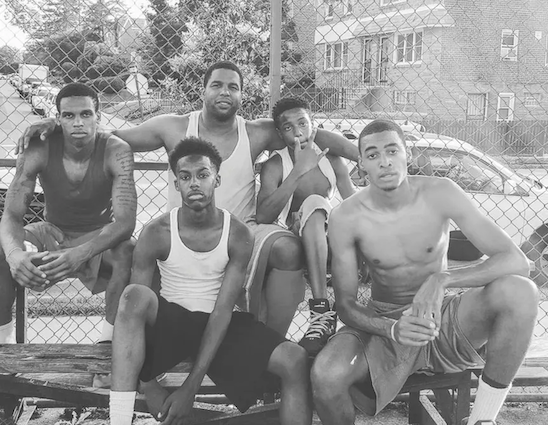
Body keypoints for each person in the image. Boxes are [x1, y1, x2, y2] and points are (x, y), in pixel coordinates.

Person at [16, 60, 359, 337]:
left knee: (287, 249)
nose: (225, 92)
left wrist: (365, 154)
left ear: (242, 96)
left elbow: (314, 133)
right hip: (184, 231)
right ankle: (140, 345)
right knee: (143, 250)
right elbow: (109, 135)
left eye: (233, 87)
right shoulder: (174, 127)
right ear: (203, 90)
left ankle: (271, 343)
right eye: (217, 85)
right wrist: (56, 124)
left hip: (242, 231)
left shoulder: (256, 132)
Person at [310, 119, 539, 425]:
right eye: (373, 154)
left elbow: (516, 261)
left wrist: (443, 279)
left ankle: (483, 420)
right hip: (386, 323)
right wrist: (390, 328)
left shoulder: (440, 193)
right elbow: (347, 306)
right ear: (362, 165)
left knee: (521, 291)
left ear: (407, 155)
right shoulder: (346, 217)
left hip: (442, 317)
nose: (385, 161)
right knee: (326, 374)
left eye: (392, 150)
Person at [109, 137, 310, 425]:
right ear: (176, 183)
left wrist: (190, 387)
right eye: (185, 176)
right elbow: (136, 312)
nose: (194, 183)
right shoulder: (157, 232)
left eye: (203, 175)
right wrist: (148, 382)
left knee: (295, 360)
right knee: (132, 295)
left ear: (217, 180)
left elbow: (222, 310)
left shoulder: (238, 233)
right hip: (170, 321)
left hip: (220, 323)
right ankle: (117, 421)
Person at [0, 82, 137, 345]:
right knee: (1, 245)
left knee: (128, 249)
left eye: (86, 114)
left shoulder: (116, 150)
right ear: (58, 118)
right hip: (53, 232)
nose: (78, 123)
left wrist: (81, 253)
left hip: (97, 238)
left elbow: (125, 223)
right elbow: (12, 215)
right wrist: (15, 255)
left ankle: (109, 347)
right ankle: (4, 347)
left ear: (98, 116)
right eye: (69, 115)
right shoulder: (39, 147)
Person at [257, 97, 355, 357]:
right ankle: (321, 311)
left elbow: (354, 205)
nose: (298, 131)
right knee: (312, 203)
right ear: (279, 133)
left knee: (318, 204)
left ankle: (337, 316)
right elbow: (264, 215)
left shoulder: (332, 161)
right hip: (293, 236)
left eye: (303, 123)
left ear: (314, 126)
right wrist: (298, 172)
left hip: (330, 234)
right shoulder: (275, 165)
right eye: (288, 127)